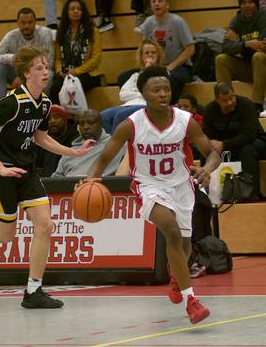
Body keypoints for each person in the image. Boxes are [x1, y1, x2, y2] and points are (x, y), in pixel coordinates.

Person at [0, 45, 94, 309]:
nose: (45, 72)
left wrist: (73, 151)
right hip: (2, 174)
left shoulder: (45, 103)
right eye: (39, 68)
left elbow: (41, 137)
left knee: (45, 225)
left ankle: (33, 290)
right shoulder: (11, 103)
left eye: (47, 67)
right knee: (5, 236)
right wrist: (0, 168)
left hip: (27, 172)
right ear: (26, 73)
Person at [83, 66, 220, 324]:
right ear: (143, 94)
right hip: (148, 186)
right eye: (155, 90)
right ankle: (192, 300)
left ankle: (176, 276)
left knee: (184, 245)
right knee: (170, 230)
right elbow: (104, 157)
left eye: (166, 89)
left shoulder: (184, 120)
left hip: (181, 186)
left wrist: (207, 168)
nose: (162, 94)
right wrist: (90, 178)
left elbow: (211, 152)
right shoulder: (131, 125)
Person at [203, 81, 266, 200]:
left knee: (247, 150)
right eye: (225, 100)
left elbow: (249, 135)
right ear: (217, 100)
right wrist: (213, 145)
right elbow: (207, 135)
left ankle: (251, 194)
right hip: (226, 146)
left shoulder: (246, 105)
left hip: (254, 142)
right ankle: (209, 194)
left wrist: (224, 144)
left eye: (232, 97)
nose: (230, 102)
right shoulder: (210, 110)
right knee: (208, 152)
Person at [0, 7, 54, 105]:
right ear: (18, 23)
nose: (27, 26)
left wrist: (24, 76)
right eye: (23, 23)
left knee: (49, 74)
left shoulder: (45, 33)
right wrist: (11, 58)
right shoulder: (11, 36)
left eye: (30, 22)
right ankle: (0, 109)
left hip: (38, 73)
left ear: (35, 22)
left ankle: (40, 107)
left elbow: (49, 62)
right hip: (17, 74)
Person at [138, 0, 195, 104]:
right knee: (125, 76)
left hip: (179, 67)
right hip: (156, 67)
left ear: (167, 4)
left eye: (160, 1)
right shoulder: (148, 23)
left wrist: (171, 67)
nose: (156, 4)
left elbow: (190, 49)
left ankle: (169, 108)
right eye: (153, 1)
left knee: (172, 79)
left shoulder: (178, 22)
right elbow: (145, 48)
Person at [215, 0, 266, 115]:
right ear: (240, 5)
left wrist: (237, 41)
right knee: (221, 59)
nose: (247, 5)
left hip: (262, 65)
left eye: (250, 2)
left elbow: (262, 46)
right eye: (244, 3)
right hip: (248, 66)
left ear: (256, 4)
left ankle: (257, 104)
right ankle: (226, 100)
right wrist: (246, 43)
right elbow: (225, 48)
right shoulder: (237, 20)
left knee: (258, 56)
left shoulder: (264, 16)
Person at [101, 40, 164, 134]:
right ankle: (107, 144)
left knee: (120, 115)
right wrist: (141, 94)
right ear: (142, 57)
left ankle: (116, 146)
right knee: (103, 116)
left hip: (146, 106)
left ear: (158, 56)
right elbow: (122, 95)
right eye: (147, 53)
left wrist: (148, 70)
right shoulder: (135, 76)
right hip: (128, 105)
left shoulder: (163, 73)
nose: (150, 55)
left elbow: (152, 94)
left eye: (153, 52)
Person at [49, 0, 103, 105]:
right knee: (55, 86)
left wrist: (75, 71)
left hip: (88, 74)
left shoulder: (93, 31)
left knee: (74, 85)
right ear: (66, 12)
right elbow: (58, 59)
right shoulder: (62, 31)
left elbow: (96, 59)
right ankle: (57, 118)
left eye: (79, 9)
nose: (76, 11)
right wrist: (60, 71)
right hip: (66, 73)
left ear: (83, 12)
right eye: (72, 9)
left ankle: (75, 119)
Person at [52, 109, 125, 177]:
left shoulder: (117, 145)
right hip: (70, 188)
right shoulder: (70, 152)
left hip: (101, 188)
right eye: (82, 124)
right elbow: (55, 180)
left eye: (91, 123)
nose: (86, 127)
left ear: (101, 124)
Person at [35, 104, 78, 176]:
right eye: (48, 119)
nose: (52, 121)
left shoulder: (75, 140)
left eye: (56, 117)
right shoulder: (40, 139)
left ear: (65, 120)